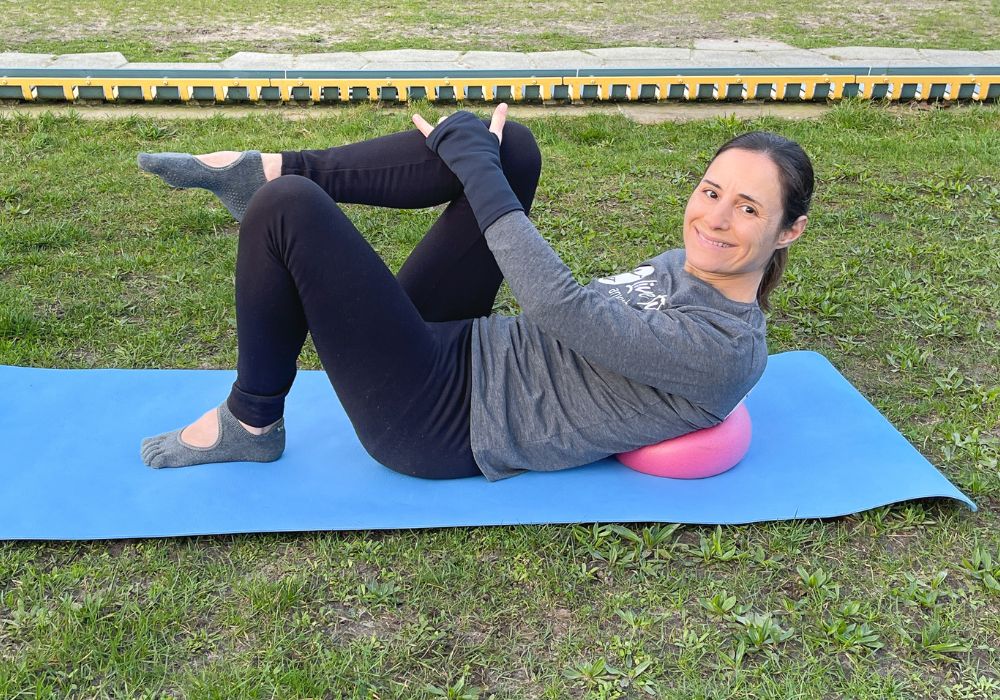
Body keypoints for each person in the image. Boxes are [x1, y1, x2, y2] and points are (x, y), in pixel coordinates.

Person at [138, 104, 812, 482]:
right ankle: (266, 167)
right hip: (463, 346)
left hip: (438, 417)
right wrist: (482, 159)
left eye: (748, 210)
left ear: (789, 231)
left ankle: (252, 420)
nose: (715, 219)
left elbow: (559, 307)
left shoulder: (723, 349)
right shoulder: (692, 264)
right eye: (711, 191)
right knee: (510, 146)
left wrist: (469, 162)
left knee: (288, 210)